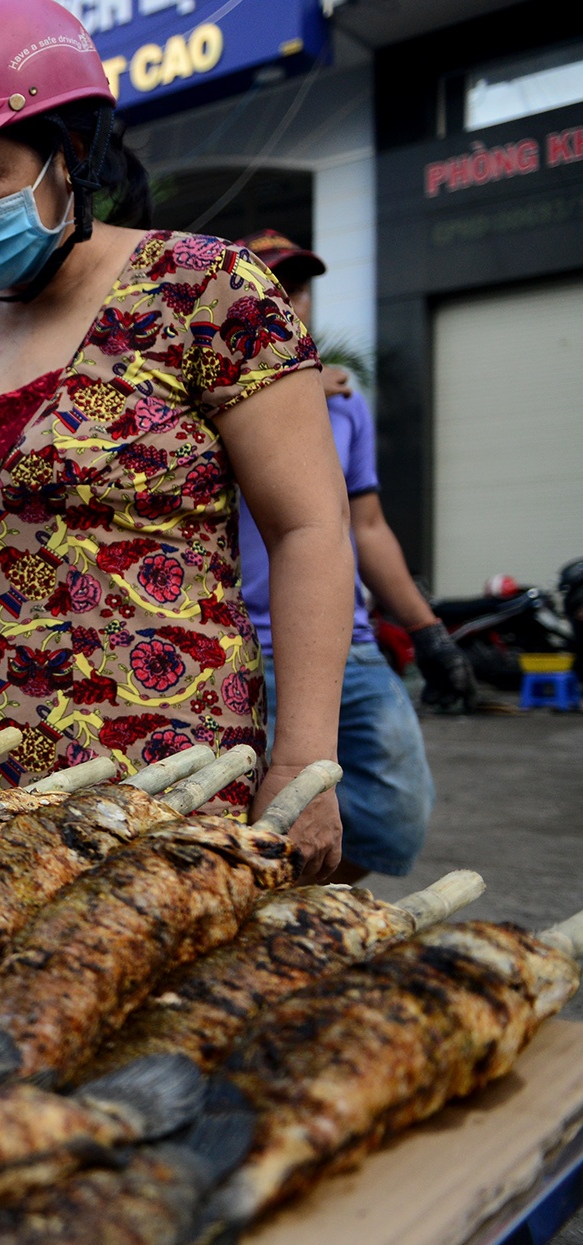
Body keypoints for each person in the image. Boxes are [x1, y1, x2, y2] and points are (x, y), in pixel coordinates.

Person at [0, 0, 355, 879]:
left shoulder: (205, 292)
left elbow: (311, 530)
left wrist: (305, 764)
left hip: (166, 782)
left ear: (70, 154)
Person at [236, 230, 476, 881]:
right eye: (275, 285)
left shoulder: (346, 405)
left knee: (397, 814)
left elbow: (365, 527)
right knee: (255, 819)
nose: (291, 300)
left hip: (351, 639)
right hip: (250, 646)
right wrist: (292, 388)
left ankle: (296, 908)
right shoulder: (205, 392)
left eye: (301, 287)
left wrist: (428, 631)